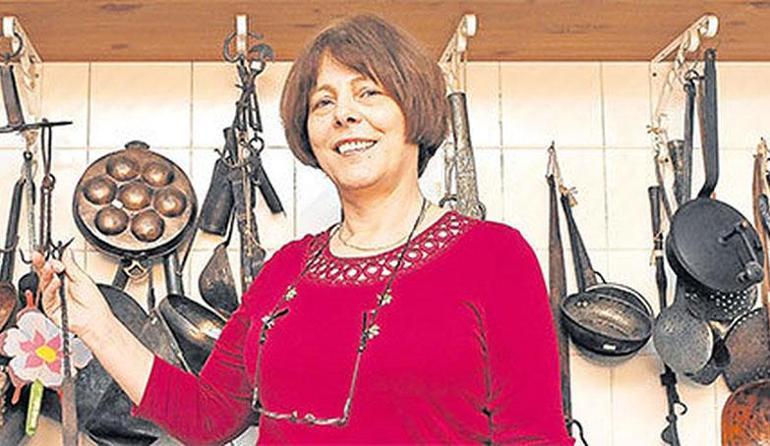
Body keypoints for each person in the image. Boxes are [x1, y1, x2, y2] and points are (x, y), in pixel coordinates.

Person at [35, 14, 572, 445]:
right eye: (323, 102)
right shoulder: (287, 269)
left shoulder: (493, 255)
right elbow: (208, 416)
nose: (344, 115)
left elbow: (535, 437)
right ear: (308, 132)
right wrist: (97, 325)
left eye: (369, 93)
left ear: (415, 110)